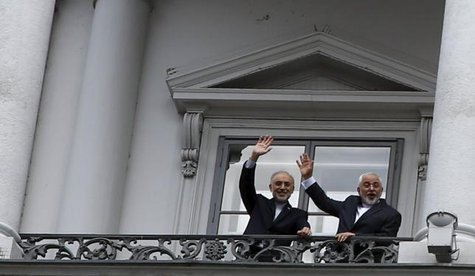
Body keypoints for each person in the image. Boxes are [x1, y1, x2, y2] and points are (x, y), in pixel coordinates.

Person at [296, 153, 401, 242]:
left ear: (381, 191)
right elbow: (324, 202)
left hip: (368, 262)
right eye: (367, 185)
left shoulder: (391, 214)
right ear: (359, 190)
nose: (371, 188)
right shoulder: (350, 203)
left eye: (376, 185)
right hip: (338, 259)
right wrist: (308, 177)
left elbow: (386, 239)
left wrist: (356, 237)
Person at [239, 136, 311, 245]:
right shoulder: (259, 203)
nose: (282, 187)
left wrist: (305, 230)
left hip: (277, 259)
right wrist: (254, 157)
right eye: (278, 183)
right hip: (249, 256)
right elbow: (245, 186)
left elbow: (303, 225)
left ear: (292, 189)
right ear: (270, 187)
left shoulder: (298, 214)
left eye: (287, 184)